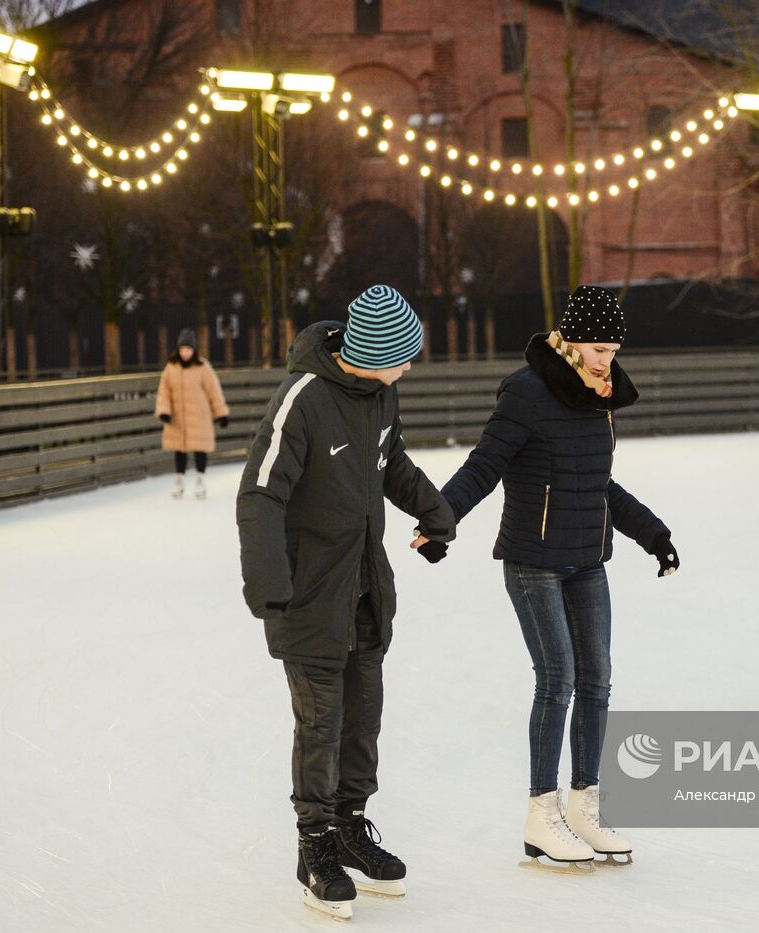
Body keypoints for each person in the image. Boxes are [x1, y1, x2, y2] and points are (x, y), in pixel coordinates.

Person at [236, 285, 456, 919]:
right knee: (321, 722)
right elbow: (260, 493)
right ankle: (314, 846)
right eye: (404, 356)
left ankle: (350, 827)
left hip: (364, 587)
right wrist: (270, 584)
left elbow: (392, 466)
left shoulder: (382, 394)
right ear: (373, 351)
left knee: (363, 717)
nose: (410, 367)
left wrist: (435, 515)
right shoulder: (302, 400)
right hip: (307, 594)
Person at [439, 285, 677, 870]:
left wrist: (653, 533)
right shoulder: (525, 392)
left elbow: (598, 483)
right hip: (532, 560)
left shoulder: (600, 394)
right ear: (568, 339)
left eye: (614, 348)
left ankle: (583, 809)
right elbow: (484, 465)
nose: (606, 360)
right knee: (559, 678)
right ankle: (541, 815)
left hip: (587, 557)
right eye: (597, 347)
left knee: (597, 678)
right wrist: (438, 521)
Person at [154, 328, 228, 499]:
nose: (185, 353)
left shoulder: (203, 367)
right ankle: (179, 480)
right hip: (177, 417)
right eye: (182, 349)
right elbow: (163, 391)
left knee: (200, 448)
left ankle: (200, 480)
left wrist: (221, 413)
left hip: (198, 416)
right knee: (179, 448)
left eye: (188, 349)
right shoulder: (170, 368)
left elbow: (213, 391)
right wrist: (164, 411)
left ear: (194, 350)